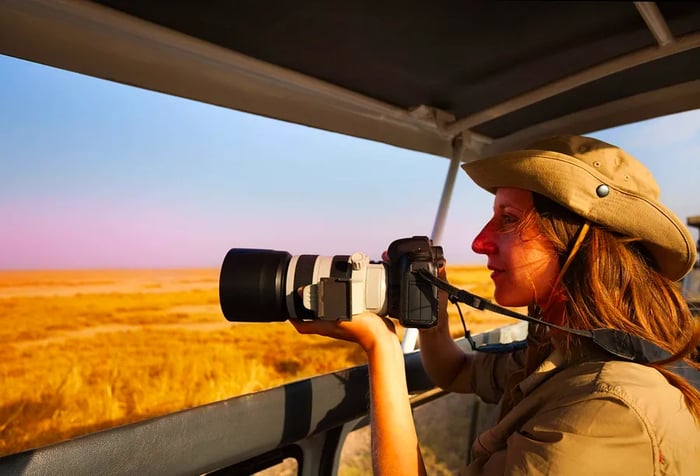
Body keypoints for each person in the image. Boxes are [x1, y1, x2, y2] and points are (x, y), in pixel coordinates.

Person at [292, 135, 700, 475]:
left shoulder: (607, 413)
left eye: (507, 219)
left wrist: (381, 347)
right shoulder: (566, 348)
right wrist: (431, 311)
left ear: (580, 245)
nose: (478, 242)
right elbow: (457, 371)